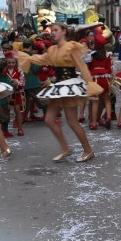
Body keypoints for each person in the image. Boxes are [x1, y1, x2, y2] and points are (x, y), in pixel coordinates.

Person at [17, 22, 103, 162]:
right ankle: (65, 148)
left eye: (55, 30)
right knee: (49, 119)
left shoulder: (71, 47)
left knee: (72, 122)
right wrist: (23, 56)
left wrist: (90, 85)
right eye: (52, 30)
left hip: (69, 86)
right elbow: (40, 59)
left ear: (64, 31)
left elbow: (82, 67)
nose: (52, 32)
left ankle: (88, 150)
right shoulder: (52, 50)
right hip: (58, 87)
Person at [88, 34, 113, 130]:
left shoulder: (91, 55)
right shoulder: (107, 55)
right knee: (107, 100)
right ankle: (109, 118)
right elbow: (109, 69)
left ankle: (94, 123)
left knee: (95, 101)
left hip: (95, 79)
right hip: (105, 79)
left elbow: (88, 68)